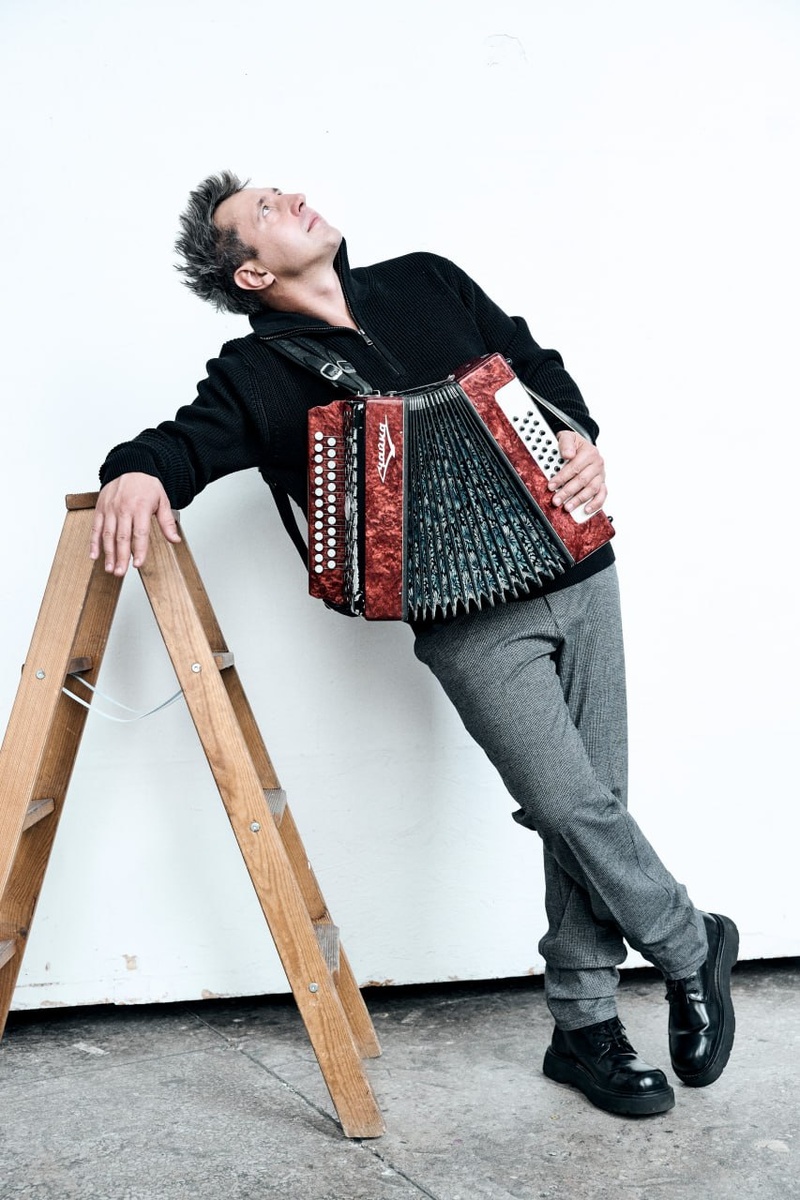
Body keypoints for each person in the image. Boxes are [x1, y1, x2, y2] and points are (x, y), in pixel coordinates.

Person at [91, 172, 738, 1117]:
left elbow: (536, 367)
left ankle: (583, 1028)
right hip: (465, 617)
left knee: (594, 807)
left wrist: (581, 439)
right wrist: (135, 472)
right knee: (565, 804)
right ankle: (691, 943)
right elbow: (178, 445)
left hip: (578, 565)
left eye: (281, 190)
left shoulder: (428, 280)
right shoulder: (255, 375)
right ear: (252, 274)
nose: (291, 200)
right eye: (264, 211)